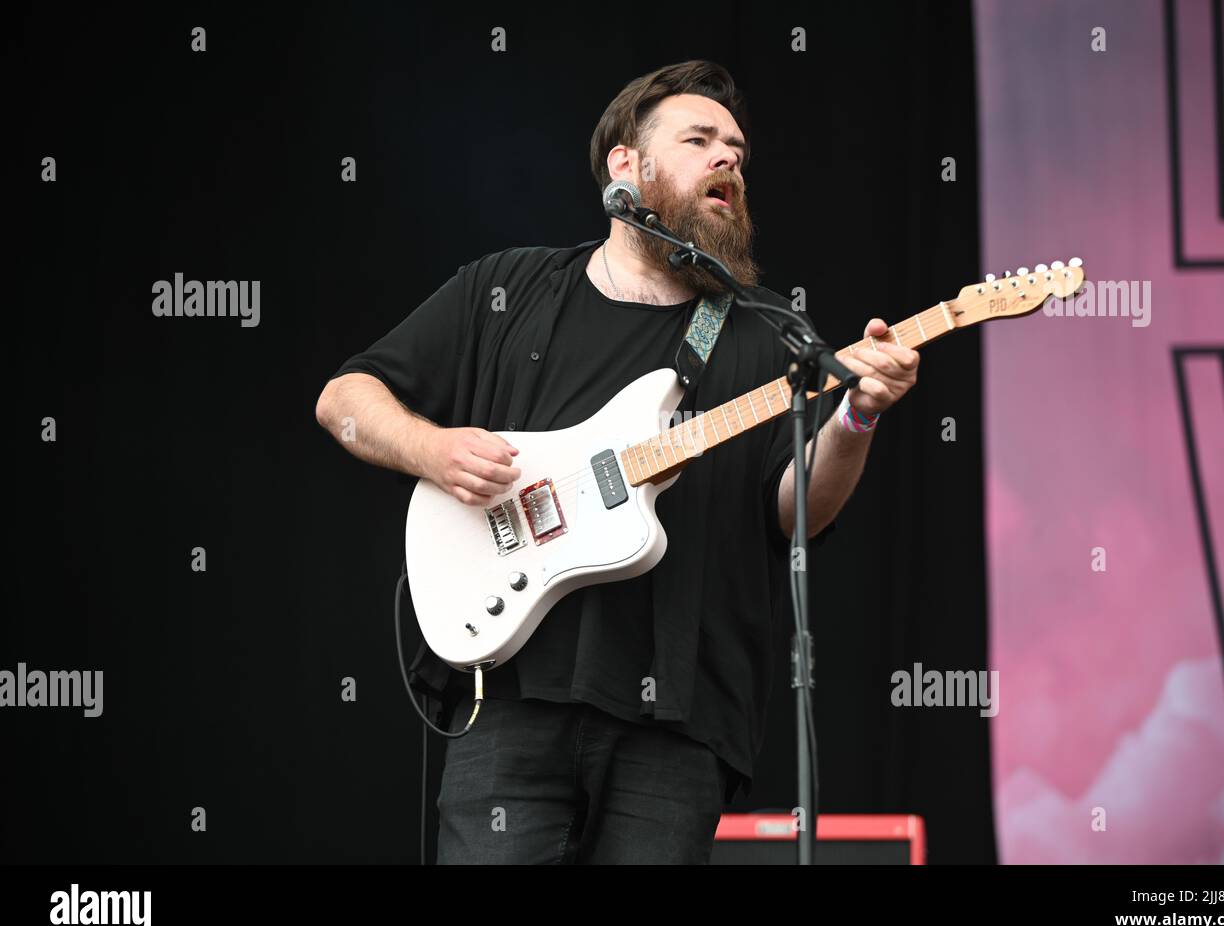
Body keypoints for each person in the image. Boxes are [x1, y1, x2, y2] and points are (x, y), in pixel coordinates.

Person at [314, 60, 919, 864]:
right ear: (624, 166)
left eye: (736, 149)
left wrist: (857, 413)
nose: (727, 160)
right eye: (699, 139)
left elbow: (799, 506)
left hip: (682, 722)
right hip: (512, 693)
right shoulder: (510, 286)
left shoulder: (764, 336)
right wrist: (431, 447)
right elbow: (344, 398)